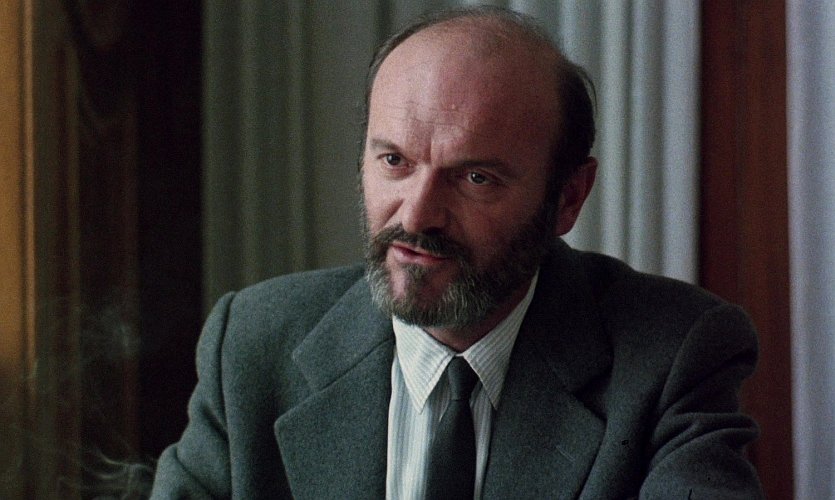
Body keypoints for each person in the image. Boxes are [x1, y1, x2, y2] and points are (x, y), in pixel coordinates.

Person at [151, 6, 763, 499]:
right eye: (394, 161)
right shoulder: (253, 345)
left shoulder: (671, 355)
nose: (417, 216)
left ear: (568, 198)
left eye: (476, 178)